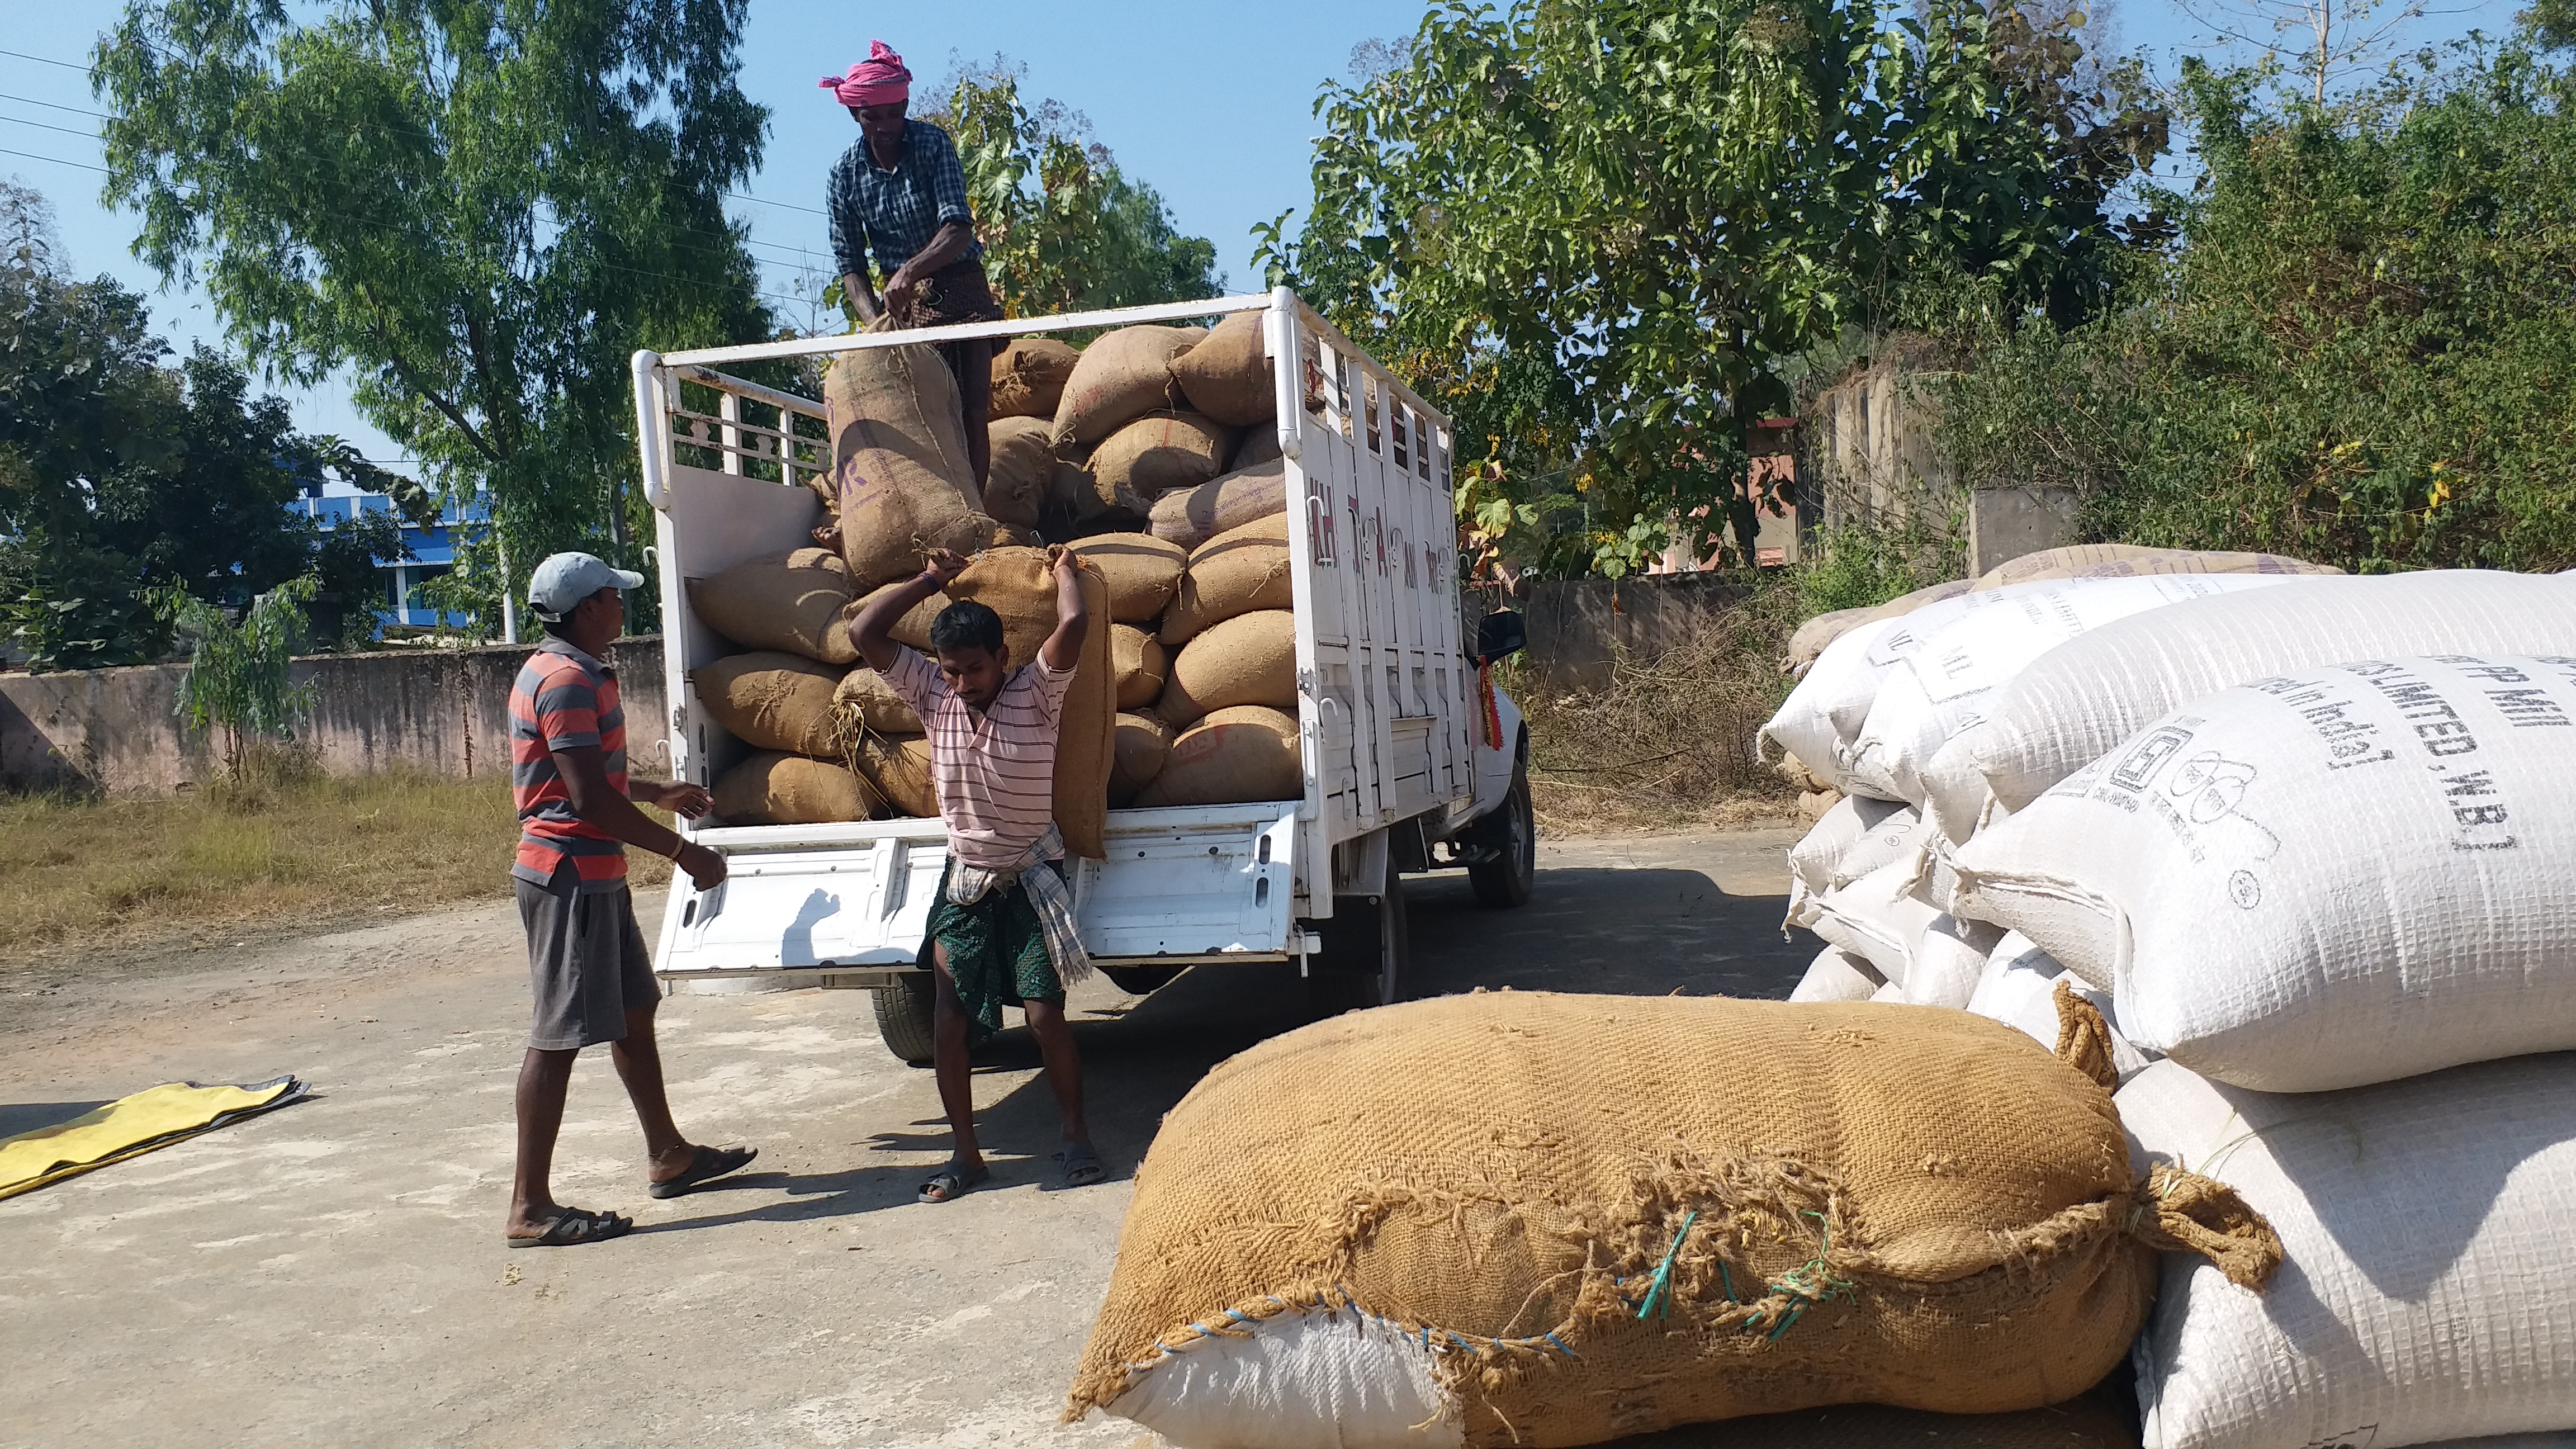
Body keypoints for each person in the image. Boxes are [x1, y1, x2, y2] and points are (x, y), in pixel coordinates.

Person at [504, 553, 755, 1247]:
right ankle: (529, 1208)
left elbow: (579, 779)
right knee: (556, 1039)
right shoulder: (565, 681)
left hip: (592, 873)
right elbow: (583, 800)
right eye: (614, 595)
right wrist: (684, 851)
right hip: (569, 877)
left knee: (633, 1013)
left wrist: (656, 793)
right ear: (588, 609)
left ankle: (668, 1153)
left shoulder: (559, 669)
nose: (623, 604)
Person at [846, 546, 1101, 1202]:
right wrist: (930, 581)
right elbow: (864, 633)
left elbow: (1072, 627)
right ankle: (967, 1154)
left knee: (1045, 1015)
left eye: (976, 669)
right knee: (950, 1022)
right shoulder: (932, 696)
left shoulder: (1038, 694)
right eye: (953, 671)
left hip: (1030, 879)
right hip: (965, 884)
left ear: (1004, 660)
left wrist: (1066, 572)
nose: (964, 683)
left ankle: (1075, 1135)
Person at [822, 40, 1001, 490]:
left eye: (892, 114)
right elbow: (850, 265)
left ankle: (975, 515)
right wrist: (876, 326)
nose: (885, 126)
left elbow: (958, 228)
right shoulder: (843, 176)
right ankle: (940, 507)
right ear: (855, 116)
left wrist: (909, 271)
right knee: (927, 416)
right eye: (872, 116)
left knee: (973, 409)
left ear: (904, 106)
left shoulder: (932, 145)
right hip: (902, 312)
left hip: (962, 290)